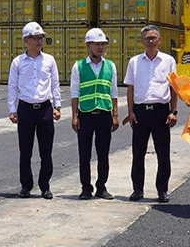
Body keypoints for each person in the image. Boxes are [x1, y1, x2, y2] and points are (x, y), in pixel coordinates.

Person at [123, 24, 177, 202]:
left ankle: (162, 190)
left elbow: (173, 88)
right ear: (142, 41)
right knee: (138, 153)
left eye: (154, 38)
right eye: (147, 39)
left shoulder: (168, 61)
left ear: (159, 40)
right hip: (140, 112)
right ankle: (137, 189)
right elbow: (130, 89)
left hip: (161, 112)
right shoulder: (134, 62)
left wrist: (173, 111)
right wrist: (130, 112)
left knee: (163, 153)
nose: (151, 41)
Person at [7, 22, 60, 199]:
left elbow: (55, 84)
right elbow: (12, 87)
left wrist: (57, 106)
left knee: (46, 151)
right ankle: (26, 186)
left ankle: (45, 186)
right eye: (35, 38)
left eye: (41, 38)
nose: (39, 41)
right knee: (25, 150)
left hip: (45, 108)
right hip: (26, 109)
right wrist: (12, 109)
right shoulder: (18, 62)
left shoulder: (49, 60)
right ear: (26, 40)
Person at [69, 27, 118, 201]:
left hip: (104, 113)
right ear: (88, 45)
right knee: (84, 154)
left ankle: (101, 187)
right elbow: (74, 93)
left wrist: (115, 115)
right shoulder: (79, 66)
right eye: (97, 44)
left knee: (103, 153)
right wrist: (74, 116)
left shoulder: (110, 65)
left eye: (103, 44)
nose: (101, 47)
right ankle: (85, 188)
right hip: (85, 114)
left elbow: (113, 92)